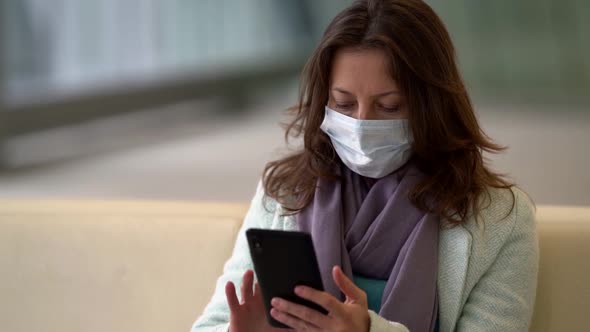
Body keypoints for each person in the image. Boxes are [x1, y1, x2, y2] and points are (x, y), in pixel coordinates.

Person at [192, 0, 538, 331]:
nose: (361, 123)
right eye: (343, 104)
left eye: (389, 107)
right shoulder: (284, 193)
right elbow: (209, 326)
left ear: (432, 107)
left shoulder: (499, 219)